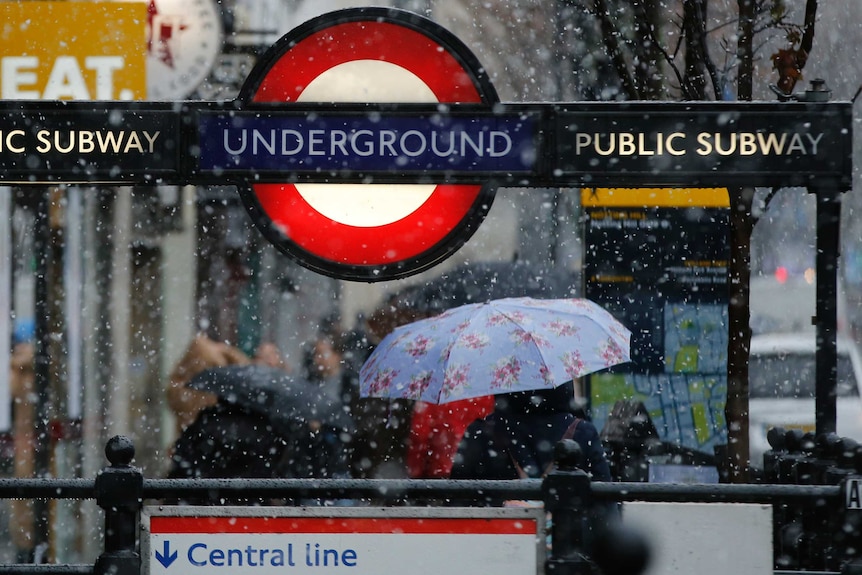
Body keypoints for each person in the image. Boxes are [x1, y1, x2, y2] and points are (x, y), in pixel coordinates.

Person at [450, 382, 612, 482]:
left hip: (499, 534)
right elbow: (605, 505)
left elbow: (459, 501)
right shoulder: (582, 431)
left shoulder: (483, 431)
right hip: (567, 535)